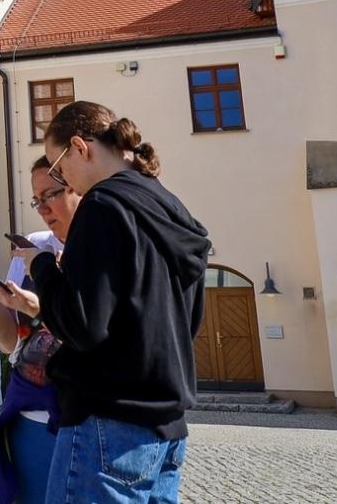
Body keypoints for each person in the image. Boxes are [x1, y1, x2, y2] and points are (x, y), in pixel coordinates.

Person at [28, 101, 209, 504]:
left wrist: (42, 267)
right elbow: (190, 318)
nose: (67, 183)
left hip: (107, 421)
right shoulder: (169, 204)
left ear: (80, 146)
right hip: (167, 423)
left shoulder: (102, 206)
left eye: (59, 170)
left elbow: (82, 326)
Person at [0, 158, 81, 503]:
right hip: (27, 417)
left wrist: (40, 302)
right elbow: (10, 341)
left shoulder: (97, 251)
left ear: (76, 187)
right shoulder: (30, 247)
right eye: (35, 200)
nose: (41, 208)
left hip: (81, 419)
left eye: (49, 195)